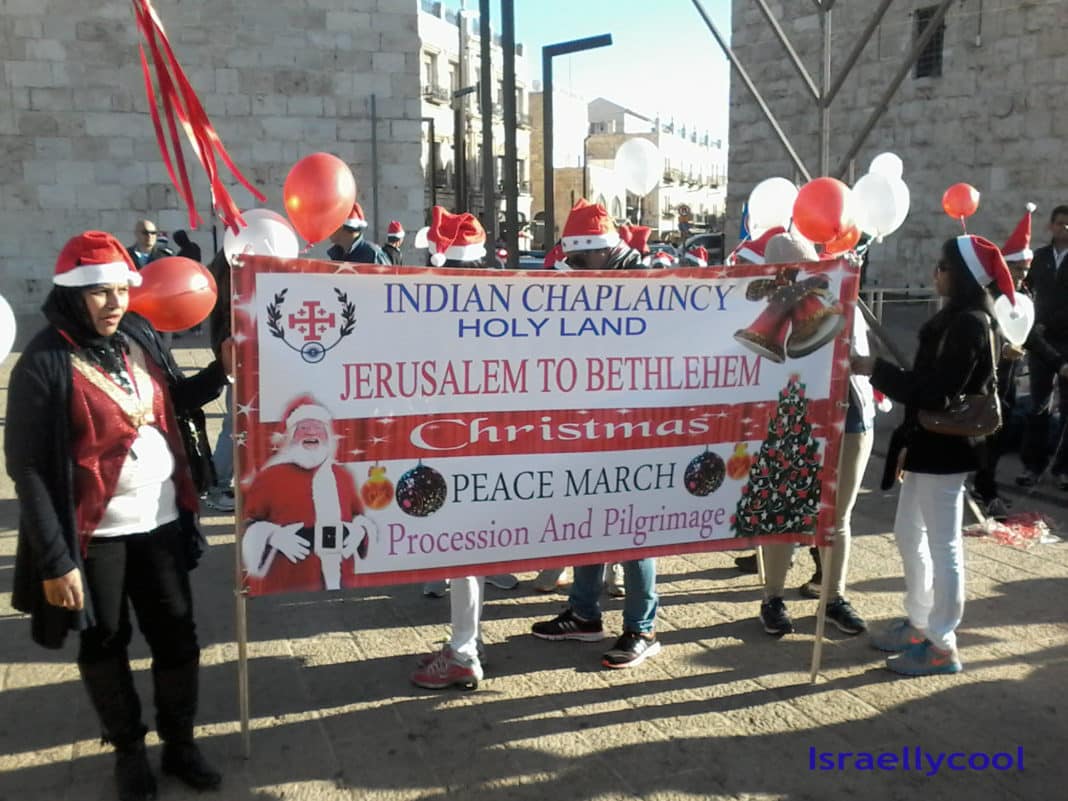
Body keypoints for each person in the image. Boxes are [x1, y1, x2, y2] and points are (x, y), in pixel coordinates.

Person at [5, 231, 229, 801]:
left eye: (119, 291)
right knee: (105, 644)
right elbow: (28, 468)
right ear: (72, 296)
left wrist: (220, 374)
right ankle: (128, 749)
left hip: (161, 524)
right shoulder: (44, 361)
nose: (113, 303)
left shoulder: (138, 336)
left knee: (178, 639)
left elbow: (171, 402)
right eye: (98, 294)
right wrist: (57, 562)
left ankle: (180, 744)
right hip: (94, 535)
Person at [853, 234, 1010, 676]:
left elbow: (938, 393)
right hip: (927, 444)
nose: (934, 273)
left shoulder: (970, 323)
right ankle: (920, 622)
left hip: (947, 448)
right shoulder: (956, 319)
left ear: (959, 275)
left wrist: (876, 370)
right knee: (909, 533)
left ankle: (943, 644)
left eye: (941, 266)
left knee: (944, 545)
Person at [530, 199, 660, 669]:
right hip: (591, 423)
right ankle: (585, 614)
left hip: (636, 426)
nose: (576, 269)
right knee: (586, 514)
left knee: (633, 526)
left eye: (582, 261)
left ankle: (641, 627)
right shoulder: (593, 282)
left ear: (602, 253)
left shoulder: (650, 284)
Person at [410, 208, 514, 689]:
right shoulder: (504, 303)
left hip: (458, 446)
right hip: (489, 446)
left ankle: (464, 649)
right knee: (468, 551)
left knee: (461, 551)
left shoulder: (439, 309)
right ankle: (468, 638)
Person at [754, 232, 873, 636]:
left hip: (846, 414)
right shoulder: (759, 305)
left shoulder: (837, 292)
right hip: (788, 417)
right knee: (781, 512)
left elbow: (858, 355)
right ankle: (773, 597)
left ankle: (833, 595)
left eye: (800, 268)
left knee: (837, 518)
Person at [241, 395, 375, 594]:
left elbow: (359, 516)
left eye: (318, 427)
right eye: (303, 427)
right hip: (287, 581)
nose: (311, 432)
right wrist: (271, 536)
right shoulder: (269, 477)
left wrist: (360, 531)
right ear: (291, 435)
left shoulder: (343, 476)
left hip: (340, 580)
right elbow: (247, 522)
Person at [1016, 204, 1068, 490]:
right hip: (1041, 341)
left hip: (1066, 340)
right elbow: (1027, 291)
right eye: (1060, 224)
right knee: (1038, 405)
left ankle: (1062, 469)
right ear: (1051, 226)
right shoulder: (1040, 258)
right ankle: (1032, 466)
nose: (1064, 230)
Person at [203, 248, 235, 513]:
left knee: (235, 424)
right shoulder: (232, 271)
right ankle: (217, 486)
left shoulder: (223, 265)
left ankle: (220, 483)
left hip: (237, 357)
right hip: (239, 358)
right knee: (234, 424)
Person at [326, 202, 391, 265]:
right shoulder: (336, 255)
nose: (328, 229)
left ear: (344, 227)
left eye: (333, 224)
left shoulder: (373, 255)